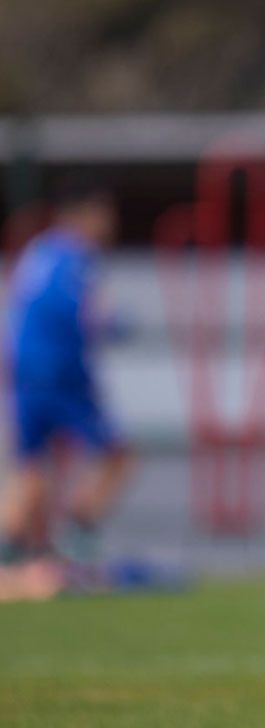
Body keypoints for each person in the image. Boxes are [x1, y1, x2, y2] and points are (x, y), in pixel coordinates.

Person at [1, 183, 133, 571]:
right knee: (117, 454)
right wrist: (116, 324)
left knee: (31, 465)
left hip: (24, 374)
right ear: (84, 213)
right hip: (59, 375)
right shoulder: (74, 255)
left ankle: (12, 548)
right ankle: (79, 531)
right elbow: (80, 312)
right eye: (102, 213)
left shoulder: (39, 250)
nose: (108, 223)